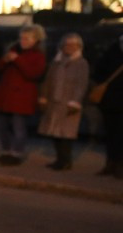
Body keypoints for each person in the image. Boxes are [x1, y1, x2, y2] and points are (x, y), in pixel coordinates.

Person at [0, 24, 46, 166]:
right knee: (0, 125)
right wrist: (5, 60)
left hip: (21, 97)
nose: (23, 41)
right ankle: (5, 151)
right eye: (22, 38)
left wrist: (17, 60)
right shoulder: (13, 50)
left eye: (27, 38)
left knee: (19, 127)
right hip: (6, 95)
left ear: (35, 40)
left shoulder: (38, 56)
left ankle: (16, 153)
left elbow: (33, 74)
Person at [37, 33, 88, 171]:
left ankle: (66, 161)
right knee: (55, 132)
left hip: (68, 103)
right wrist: (44, 97)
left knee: (66, 134)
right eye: (67, 44)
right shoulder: (56, 62)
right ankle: (59, 159)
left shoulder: (81, 64)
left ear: (79, 47)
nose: (69, 47)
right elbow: (48, 81)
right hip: (54, 102)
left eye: (73, 45)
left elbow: (81, 84)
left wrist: (75, 102)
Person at [91, 34, 123, 179]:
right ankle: (111, 164)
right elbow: (98, 71)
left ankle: (118, 166)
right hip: (110, 101)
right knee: (111, 134)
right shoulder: (113, 50)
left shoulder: (113, 49)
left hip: (112, 99)